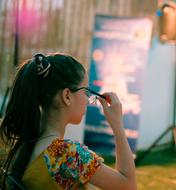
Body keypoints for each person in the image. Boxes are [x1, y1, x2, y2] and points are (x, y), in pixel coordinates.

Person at [0, 53, 136, 190]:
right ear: (67, 96)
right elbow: (128, 186)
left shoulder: (20, 146)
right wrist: (117, 125)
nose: (88, 99)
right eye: (86, 91)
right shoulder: (66, 155)